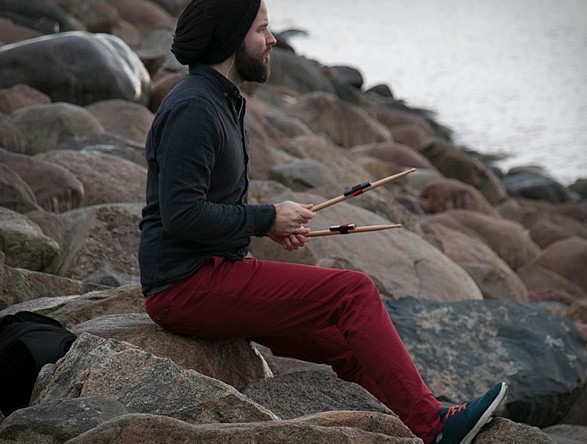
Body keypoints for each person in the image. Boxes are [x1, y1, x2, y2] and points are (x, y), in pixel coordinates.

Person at [138, 1, 508, 442]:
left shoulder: (221, 99)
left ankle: (417, 425)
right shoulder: (195, 108)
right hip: (185, 287)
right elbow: (182, 216)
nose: (273, 39)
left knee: (347, 341)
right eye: (261, 30)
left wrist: (273, 224)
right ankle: (437, 429)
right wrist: (267, 218)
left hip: (212, 273)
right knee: (353, 291)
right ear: (232, 38)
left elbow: (210, 204)